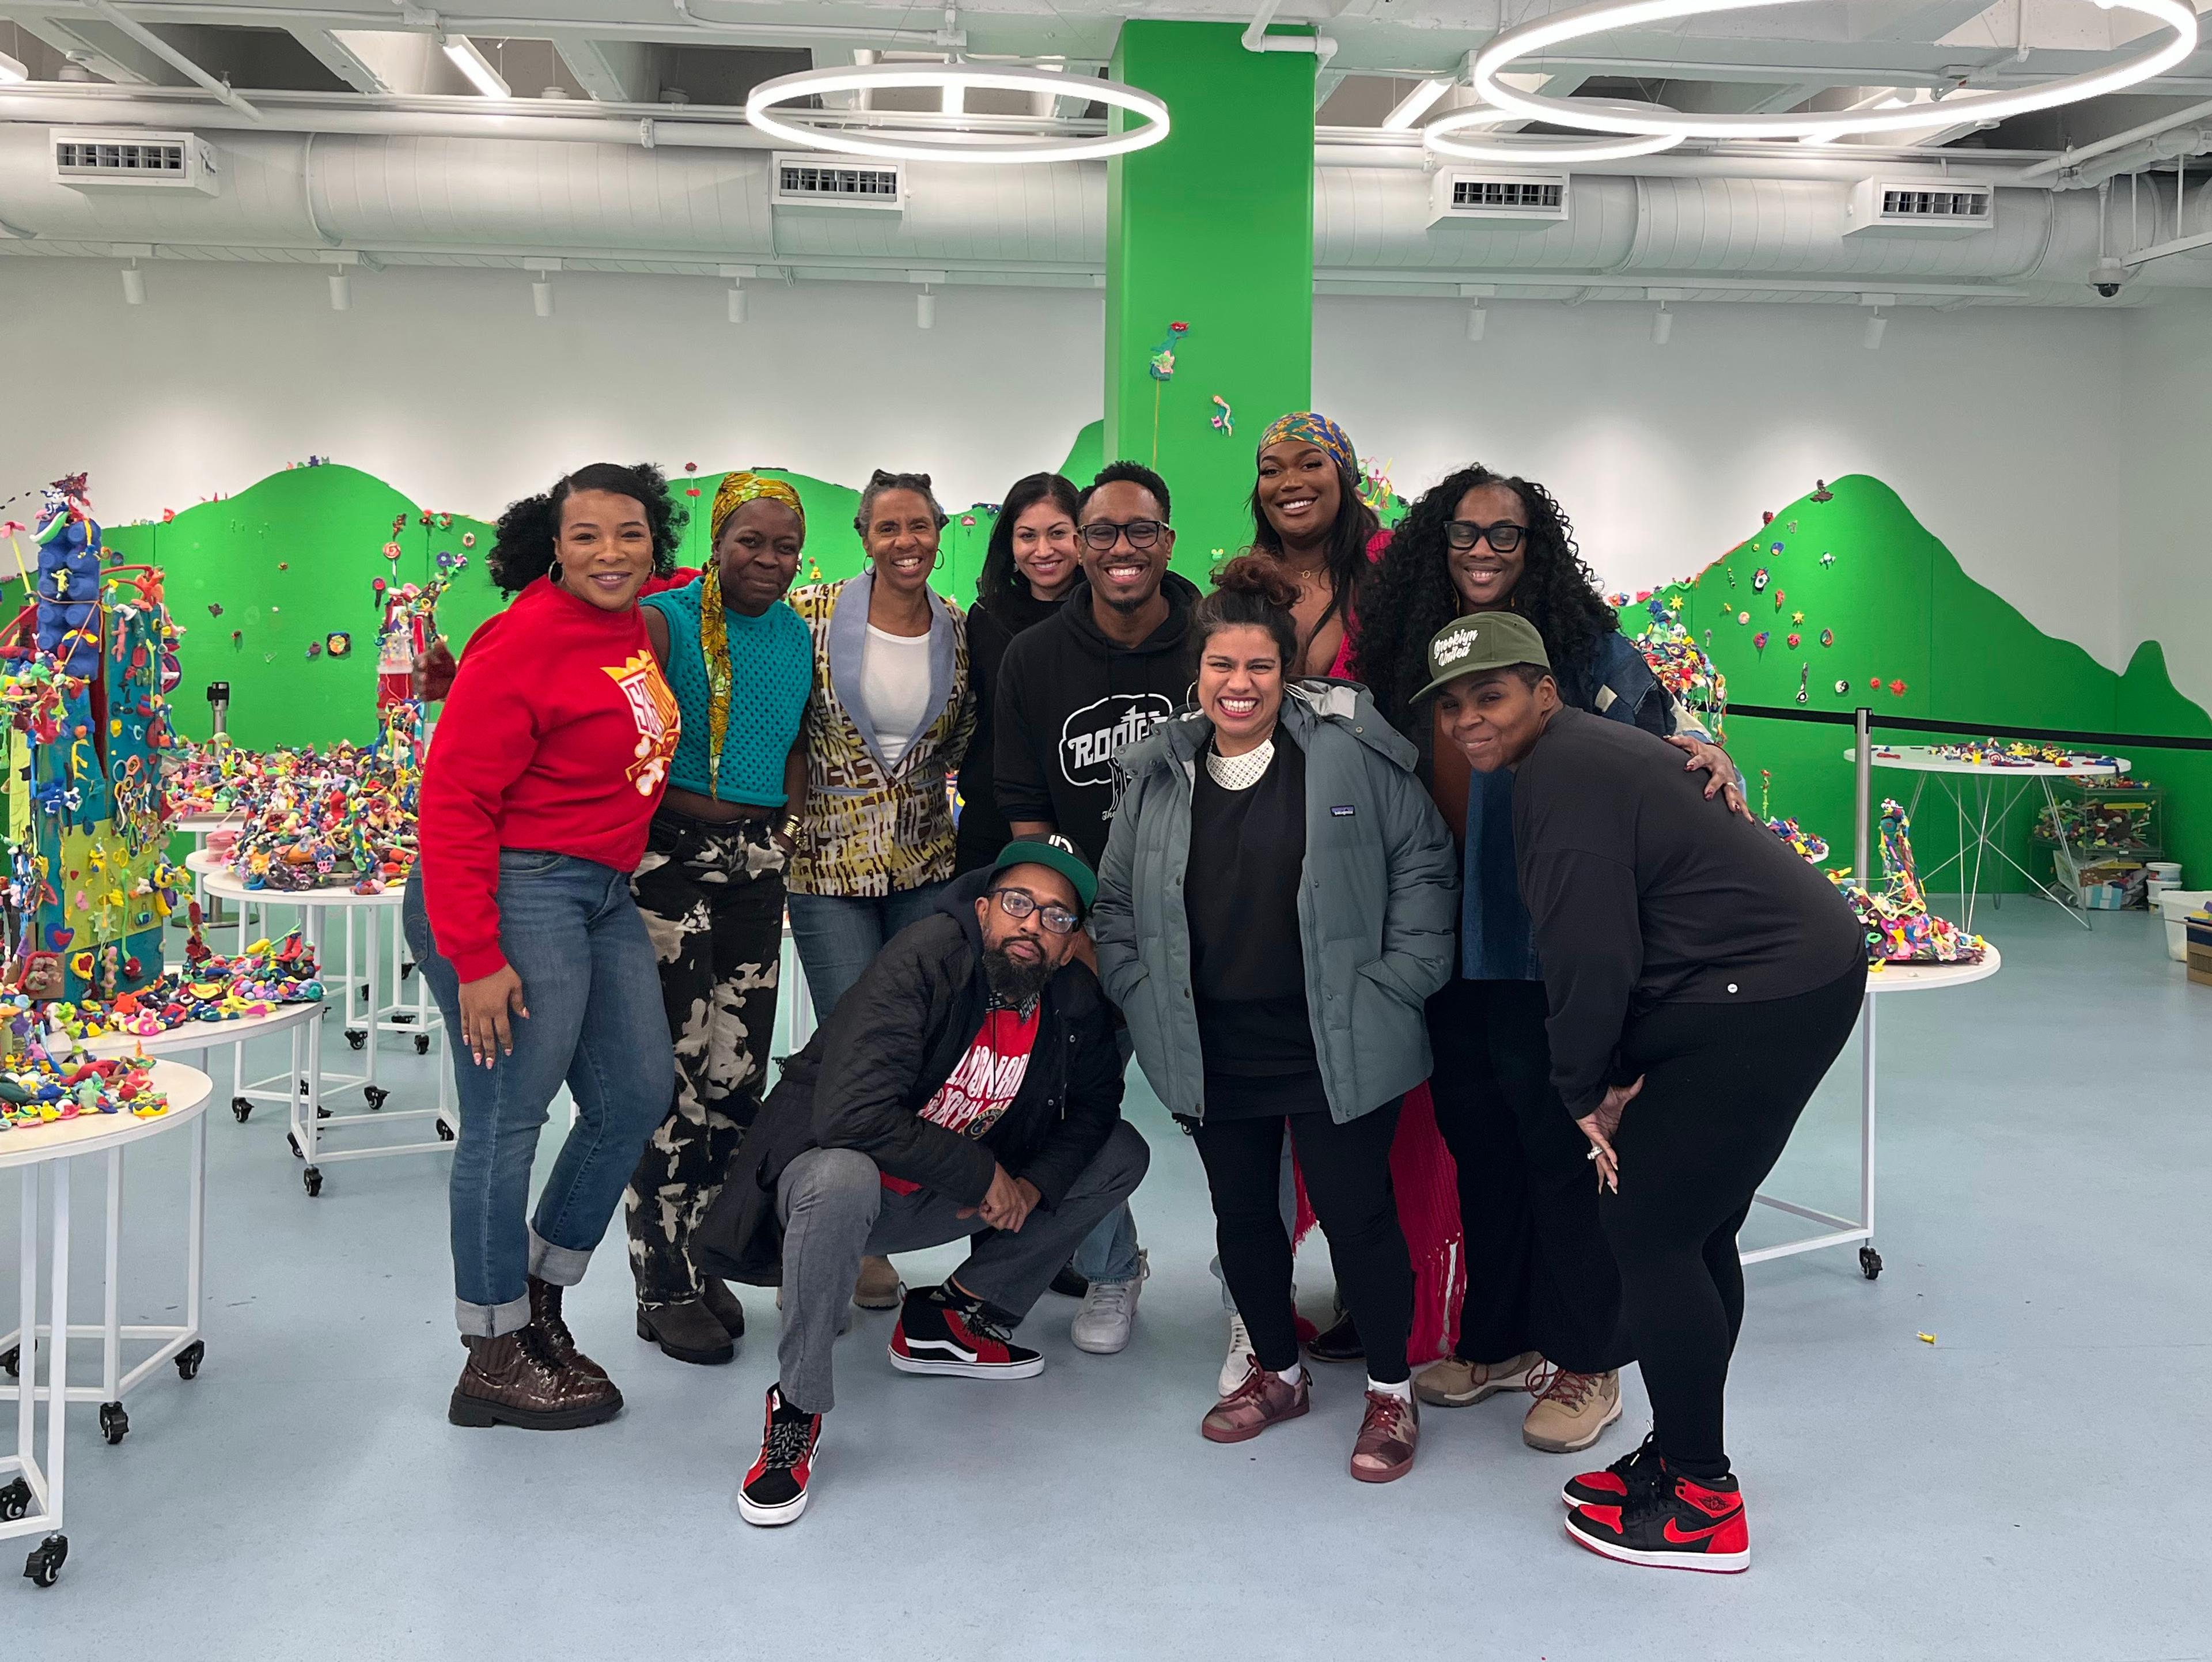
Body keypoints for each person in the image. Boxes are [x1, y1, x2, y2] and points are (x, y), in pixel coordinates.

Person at [1420, 611, 1865, 1571]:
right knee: (1693, 1229)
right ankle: (1679, 1455)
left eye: (1488, 695)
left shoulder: (1563, 780)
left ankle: (1703, 1497)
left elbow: (1589, 958)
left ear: (1545, 690)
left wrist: (1583, 1092)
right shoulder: (1575, 754)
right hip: (1778, 979)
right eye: (1452, 705)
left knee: (1650, 1231)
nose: (1468, 721)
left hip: (1762, 993)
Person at [1354, 465, 1742, 1457]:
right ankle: (1498, 1340)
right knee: (1480, 1141)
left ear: (1536, 547)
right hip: (1446, 946)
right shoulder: (1412, 651)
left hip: (1548, 944)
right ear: (1436, 543)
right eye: (1465, 533)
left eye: (1506, 535)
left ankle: (1589, 1359)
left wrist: (1703, 740)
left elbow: (1661, 725)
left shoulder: (1578, 648)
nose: (1483, 551)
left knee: (1564, 1150)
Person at [1094, 558, 1458, 1483]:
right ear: (1198, 674)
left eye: (1259, 667)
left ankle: (1389, 1393)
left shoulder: (1349, 749)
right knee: (1243, 1217)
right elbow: (1117, 907)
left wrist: (1403, 976)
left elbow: (1421, 858)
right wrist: (1139, 992)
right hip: (1212, 1045)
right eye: (1223, 666)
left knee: (1358, 1214)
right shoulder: (1161, 770)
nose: (1240, 685)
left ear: (1286, 673)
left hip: (1338, 1034)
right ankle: (1278, 1372)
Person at [695, 839, 1149, 1527]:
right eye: (1019, 903)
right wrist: (986, 1172)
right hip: (850, 1194)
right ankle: (797, 1406)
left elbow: (1094, 1111)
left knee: (1120, 1152)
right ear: (984, 907)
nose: (1033, 924)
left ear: (1069, 942)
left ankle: (949, 1316)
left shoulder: (1071, 999)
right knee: (839, 1174)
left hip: (950, 1197)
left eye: (1057, 917)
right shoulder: (925, 958)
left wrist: (1030, 1184)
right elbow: (851, 1113)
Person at [406, 461, 683, 1430]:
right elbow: (453, 801)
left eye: (631, 535)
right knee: (507, 1117)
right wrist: (475, 956)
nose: (610, 553)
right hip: (513, 888)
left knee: (637, 1094)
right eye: (587, 537)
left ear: (657, 545)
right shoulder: (524, 640)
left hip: (600, 892)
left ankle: (537, 1304)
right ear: (552, 546)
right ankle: (492, 1351)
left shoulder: (627, 620)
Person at [990, 459, 1200, 1353]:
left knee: (1233, 1113)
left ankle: (1249, 1288)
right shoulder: (1033, 658)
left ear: (1167, 541)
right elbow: (1027, 808)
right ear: (1078, 545)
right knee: (1068, 1106)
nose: (1122, 549)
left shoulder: (1211, 641)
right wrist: (1071, 930)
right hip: (1085, 928)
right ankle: (1113, 1268)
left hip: (1200, 927)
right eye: (1103, 532)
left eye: (1140, 530)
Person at [619, 472, 812, 1365]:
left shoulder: (796, 634)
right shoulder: (661, 622)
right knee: (674, 1071)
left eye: (785, 546)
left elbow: (796, 744)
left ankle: (703, 1256)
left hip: (757, 864)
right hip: (667, 859)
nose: (768, 561)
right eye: (750, 542)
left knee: (736, 1074)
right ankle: (657, 1283)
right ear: (717, 537)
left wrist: (780, 835)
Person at [785, 469, 975, 1316]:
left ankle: (901, 1218)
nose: (908, 541)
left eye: (922, 526)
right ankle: (850, 1238)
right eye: (890, 526)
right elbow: (787, 725)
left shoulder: (957, 629)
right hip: (827, 871)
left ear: (940, 533)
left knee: (919, 1048)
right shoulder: (815, 617)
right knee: (849, 1049)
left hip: (923, 865)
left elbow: (958, 736)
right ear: (864, 533)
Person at [953, 472, 1082, 876]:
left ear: (1083, 537)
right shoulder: (986, 618)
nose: (1043, 550)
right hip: (991, 824)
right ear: (1009, 544)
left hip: (1080, 818)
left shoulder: (1106, 618)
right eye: (1027, 536)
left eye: (1058, 533)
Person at [1248, 410, 1384, 677]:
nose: (1290, 483)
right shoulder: (1247, 587)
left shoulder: (1392, 566)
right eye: (1271, 470)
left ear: (1343, 477)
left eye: (1310, 465)